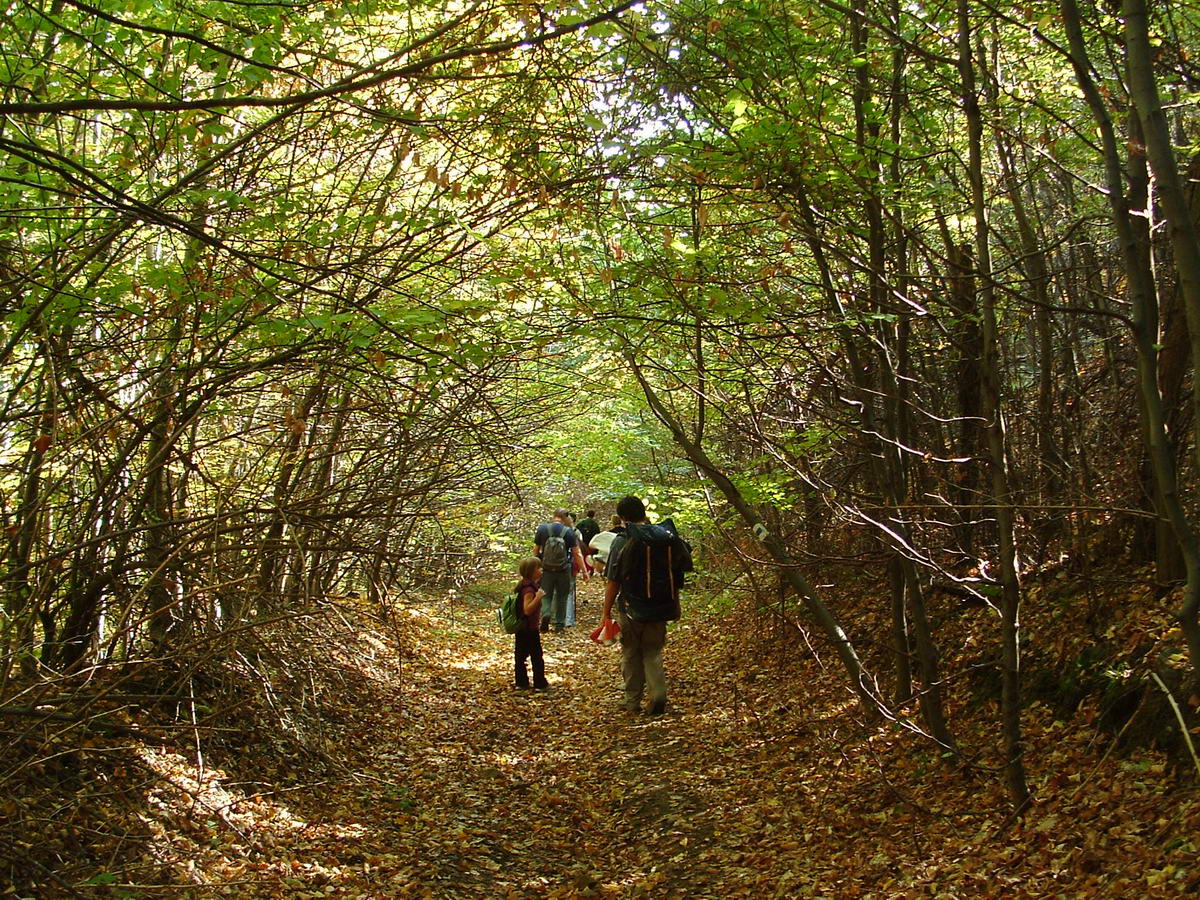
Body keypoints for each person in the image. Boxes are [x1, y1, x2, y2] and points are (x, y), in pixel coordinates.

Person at [601, 495, 687, 716]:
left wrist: (606, 611)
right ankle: (658, 694)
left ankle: (632, 702)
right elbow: (676, 575)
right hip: (660, 606)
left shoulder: (622, 540)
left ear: (622, 518)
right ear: (643, 513)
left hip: (630, 608)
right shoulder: (664, 537)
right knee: (652, 651)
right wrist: (674, 605)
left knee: (630, 653)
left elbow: (613, 580)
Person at [534, 507, 588, 632]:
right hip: (564, 569)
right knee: (562, 596)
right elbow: (577, 553)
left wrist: (536, 568)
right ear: (565, 517)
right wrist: (584, 571)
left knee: (545, 594)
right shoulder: (568, 532)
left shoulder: (542, 529)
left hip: (546, 569)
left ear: (554, 516)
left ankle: (546, 614)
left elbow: (536, 551)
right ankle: (559, 625)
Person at [514, 557, 549, 691]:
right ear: (531, 571)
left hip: (523, 628)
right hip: (529, 628)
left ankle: (521, 682)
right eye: (538, 568)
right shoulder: (528, 589)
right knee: (536, 657)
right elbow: (527, 610)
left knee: (520, 656)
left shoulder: (524, 585)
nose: (541, 570)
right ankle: (539, 683)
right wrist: (538, 597)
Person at [576, 509, 601, 574]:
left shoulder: (581, 523)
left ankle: (584, 569)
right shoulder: (595, 524)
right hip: (592, 543)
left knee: (584, 556)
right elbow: (597, 534)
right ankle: (591, 568)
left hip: (583, 543)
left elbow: (576, 532)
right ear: (593, 515)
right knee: (591, 556)